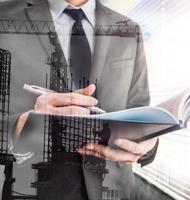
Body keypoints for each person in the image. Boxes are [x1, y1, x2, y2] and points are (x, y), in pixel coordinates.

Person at [0, 0, 158, 199]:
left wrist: (148, 143)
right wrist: (24, 125)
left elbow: (140, 110)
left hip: (115, 192)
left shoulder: (129, 30)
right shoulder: (4, 17)